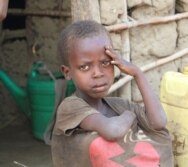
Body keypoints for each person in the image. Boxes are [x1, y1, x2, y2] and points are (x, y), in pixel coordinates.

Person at [51, 20, 174, 167]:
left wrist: (137, 73)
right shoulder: (70, 107)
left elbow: (158, 123)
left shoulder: (120, 105)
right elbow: (113, 130)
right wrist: (131, 115)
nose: (97, 73)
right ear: (67, 72)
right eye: (84, 67)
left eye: (105, 63)